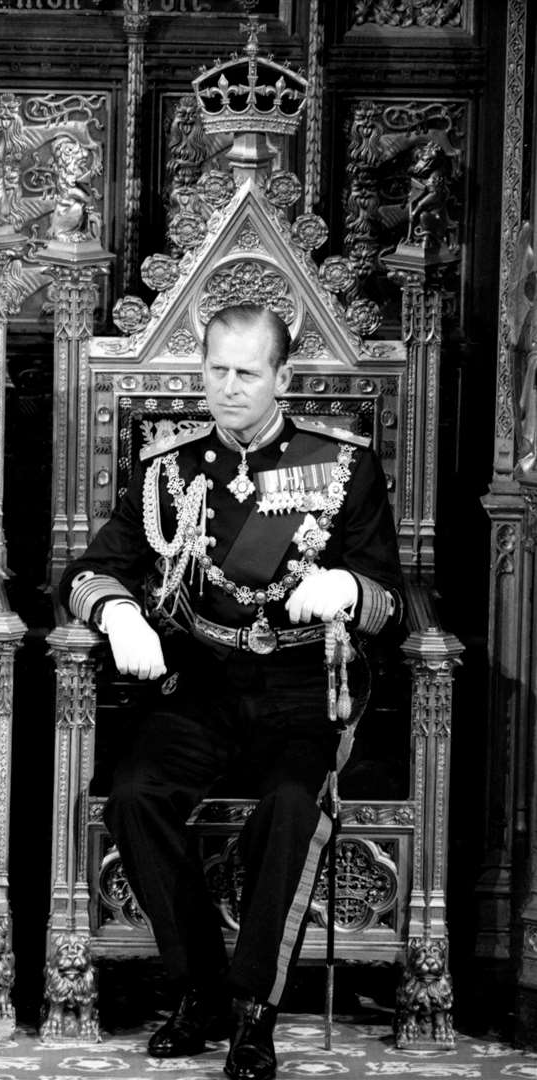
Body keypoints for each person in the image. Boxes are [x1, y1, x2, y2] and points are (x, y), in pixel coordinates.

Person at [60, 303, 403, 1080]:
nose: (228, 388)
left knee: (291, 802)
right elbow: (86, 570)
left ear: (283, 377)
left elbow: (393, 599)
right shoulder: (169, 470)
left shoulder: (341, 464)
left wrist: (348, 585)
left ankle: (255, 1010)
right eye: (216, 370)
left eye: (247, 373)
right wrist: (118, 613)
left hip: (301, 684)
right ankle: (200, 987)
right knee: (136, 794)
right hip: (203, 681)